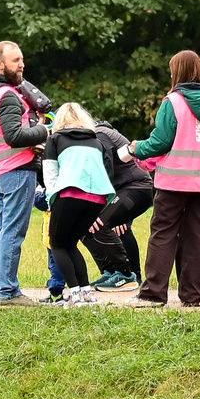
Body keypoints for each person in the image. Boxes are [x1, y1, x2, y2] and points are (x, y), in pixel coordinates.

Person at [130, 50, 200, 308]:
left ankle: (153, 293)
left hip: (173, 181)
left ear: (177, 72)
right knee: (196, 236)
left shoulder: (174, 101)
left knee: (164, 234)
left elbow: (160, 142)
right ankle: (192, 295)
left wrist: (135, 148)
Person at [0, 42, 51, 304]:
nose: (22, 64)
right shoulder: (6, 95)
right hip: (16, 168)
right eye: (16, 60)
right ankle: (9, 292)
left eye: (22, 59)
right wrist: (46, 131)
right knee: (12, 231)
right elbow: (14, 136)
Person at [40, 103, 115, 306]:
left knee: (57, 244)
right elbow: (109, 170)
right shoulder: (96, 141)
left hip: (69, 193)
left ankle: (74, 293)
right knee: (71, 244)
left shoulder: (55, 139)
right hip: (98, 197)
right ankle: (86, 292)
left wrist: (51, 201)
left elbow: (50, 174)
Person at [83, 116, 152, 289]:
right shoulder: (92, 137)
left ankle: (128, 275)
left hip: (136, 188)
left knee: (104, 223)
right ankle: (111, 272)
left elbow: (106, 174)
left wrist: (123, 217)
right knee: (83, 226)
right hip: (122, 189)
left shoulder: (100, 135)